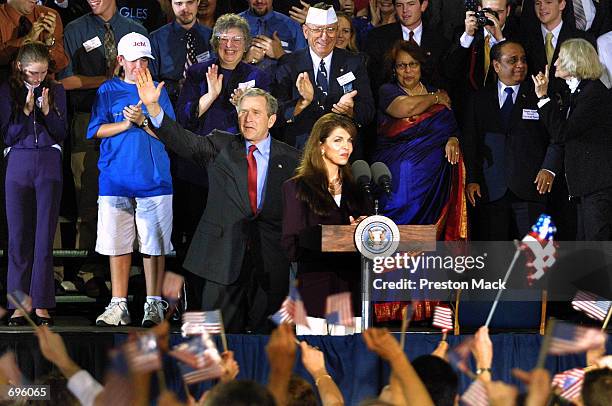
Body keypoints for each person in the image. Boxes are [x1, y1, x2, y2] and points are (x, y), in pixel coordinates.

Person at [136, 70, 299, 333]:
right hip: (221, 260)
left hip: (270, 264)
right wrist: (154, 108)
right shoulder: (221, 145)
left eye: (256, 112)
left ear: (271, 119)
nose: (247, 118)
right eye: (243, 111)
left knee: (267, 346)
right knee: (214, 343)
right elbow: (182, 141)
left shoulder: (292, 159)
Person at [88, 32, 175, 327]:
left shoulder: (158, 90)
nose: (140, 65)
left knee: (154, 246)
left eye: (145, 59)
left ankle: (153, 304)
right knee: (117, 245)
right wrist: (126, 123)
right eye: (134, 59)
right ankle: (118, 304)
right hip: (115, 179)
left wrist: (143, 120)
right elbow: (96, 130)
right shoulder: (107, 90)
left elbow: (170, 134)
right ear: (121, 61)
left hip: (153, 180)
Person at [58, 0, 148, 267]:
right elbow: (63, 81)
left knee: (128, 199)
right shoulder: (76, 29)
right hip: (87, 121)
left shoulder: (135, 29)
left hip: (130, 123)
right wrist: (107, 80)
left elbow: (146, 75)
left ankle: (125, 269)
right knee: (87, 196)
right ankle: (87, 272)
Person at [463, 40, 562, 240]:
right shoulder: (479, 99)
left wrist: (548, 168)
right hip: (490, 189)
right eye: (513, 60)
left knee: (535, 259)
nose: (520, 65)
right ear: (496, 65)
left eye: (523, 60)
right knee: (496, 258)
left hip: (531, 189)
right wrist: (472, 179)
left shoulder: (540, 95)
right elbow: (471, 141)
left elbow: (557, 136)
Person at [0, 42, 67, 327]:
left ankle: (40, 303)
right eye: (32, 74)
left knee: (43, 237)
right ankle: (18, 304)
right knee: (18, 238)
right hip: (18, 162)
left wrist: (49, 111)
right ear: (20, 68)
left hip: (48, 163)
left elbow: (61, 131)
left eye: (41, 74)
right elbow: (7, 135)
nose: (37, 79)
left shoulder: (57, 89)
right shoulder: (8, 90)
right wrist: (26, 112)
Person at [373, 41, 465, 239]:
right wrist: (435, 98)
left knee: (429, 245)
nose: (408, 71)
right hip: (398, 181)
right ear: (393, 69)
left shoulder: (437, 91)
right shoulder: (387, 91)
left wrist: (453, 139)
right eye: (401, 65)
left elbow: (452, 126)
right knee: (396, 235)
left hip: (434, 183)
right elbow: (406, 109)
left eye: (413, 64)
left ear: (422, 66)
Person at [281, 113, 370, 317]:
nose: (346, 147)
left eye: (349, 140)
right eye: (338, 140)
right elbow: (290, 246)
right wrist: (339, 236)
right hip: (315, 291)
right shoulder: (296, 188)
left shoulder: (358, 190)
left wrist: (364, 231)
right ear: (320, 145)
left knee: (350, 346)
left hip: (352, 290)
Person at [534, 38, 612, 240]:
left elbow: (562, 133)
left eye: (561, 57)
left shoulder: (593, 94)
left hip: (598, 188)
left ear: (575, 61)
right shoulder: (578, 93)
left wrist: (543, 98)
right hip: (586, 187)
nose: (556, 63)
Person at [274, 3, 374, 150]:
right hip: (300, 149)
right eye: (318, 30)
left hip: (342, 150)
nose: (324, 36)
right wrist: (302, 102)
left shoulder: (354, 62)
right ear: (306, 31)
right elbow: (276, 114)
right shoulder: (288, 64)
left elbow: (368, 112)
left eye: (330, 30)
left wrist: (350, 111)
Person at [364, 0, 451, 95]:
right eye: (399, 5)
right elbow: (374, 79)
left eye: (411, 4)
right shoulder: (378, 37)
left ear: (423, 5)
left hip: (432, 104)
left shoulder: (440, 40)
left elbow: (445, 79)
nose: (405, 10)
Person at [150, 0, 213, 105]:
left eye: (190, 2)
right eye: (179, 3)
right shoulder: (156, 39)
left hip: (205, 104)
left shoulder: (211, 37)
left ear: (198, 2)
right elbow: (152, 81)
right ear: (171, 4)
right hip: (168, 105)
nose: (185, 9)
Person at [0, 0, 69, 78]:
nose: (35, 0)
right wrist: (27, 39)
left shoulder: (49, 15)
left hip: (43, 87)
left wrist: (49, 41)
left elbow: (60, 65)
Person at [239, 0, 307, 73]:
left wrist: (280, 54)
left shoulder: (292, 25)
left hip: (284, 82)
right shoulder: (233, 25)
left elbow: (305, 67)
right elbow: (225, 70)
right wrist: (245, 61)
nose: (259, 1)